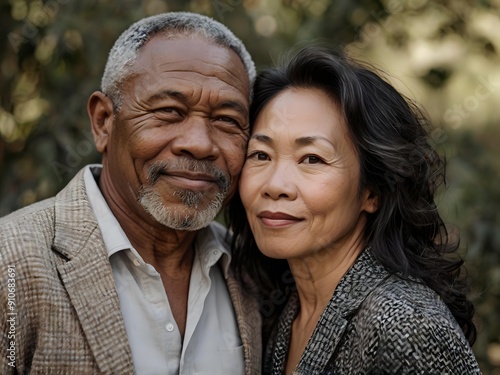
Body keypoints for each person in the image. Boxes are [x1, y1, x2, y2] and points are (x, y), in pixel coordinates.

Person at [0, 12, 262, 374]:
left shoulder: (253, 271)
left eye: (227, 121)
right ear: (103, 122)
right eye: (169, 111)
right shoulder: (11, 264)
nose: (200, 144)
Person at [227, 46, 481, 374]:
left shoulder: (406, 326)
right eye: (260, 154)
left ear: (372, 192)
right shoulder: (282, 306)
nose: (275, 185)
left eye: (312, 159)